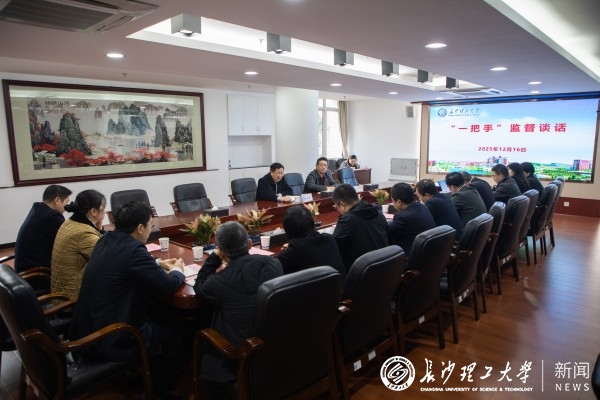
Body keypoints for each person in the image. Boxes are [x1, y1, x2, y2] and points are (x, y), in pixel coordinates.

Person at [70, 201, 186, 398]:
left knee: (157, 312)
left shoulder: (106, 239)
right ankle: (155, 391)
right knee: (178, 333)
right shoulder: (133, 250)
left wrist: (157, 262)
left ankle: (140, 374)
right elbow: (167, 286)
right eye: (150, 226)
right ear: (140, 228)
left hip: (88, 327)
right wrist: (177, 271)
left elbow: (122, 262)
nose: (150, 230)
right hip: (111, 337)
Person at [194, 221, 283, 399]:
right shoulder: (274, 264)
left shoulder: (220, 281)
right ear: (249, 244)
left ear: (221, 251)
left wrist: (214, 258)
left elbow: (199, 285)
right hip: (275, 345)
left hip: (242, 355)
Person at [51, 189, 106, 300]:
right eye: (104, 208)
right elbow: (108, 258)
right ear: (93, 211)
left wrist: (99, 228)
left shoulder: (70, 223)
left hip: (61, 291)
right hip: (72, 299)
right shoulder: (84, 234)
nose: (105, 212)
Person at [275, 205, 345, 279]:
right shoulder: (329, 238)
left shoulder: (296, 249)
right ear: (312, 223)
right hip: (339, 285)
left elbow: (271, 265)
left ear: (288, 230)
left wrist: (288, 250)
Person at [14, 184, 72, 273]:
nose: (67, 207)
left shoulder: (38, 209)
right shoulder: (53, 217)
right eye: (66, 202)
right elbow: (69, 242)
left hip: (23, 268)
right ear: (57, 200)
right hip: (36, 272)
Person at [332, 184, 388, 270]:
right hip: (386, 267)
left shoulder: (348, 220)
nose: (338, 210)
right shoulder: (378, 213)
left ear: (342, 204)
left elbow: (333, 246)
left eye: (336, 207)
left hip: (364, 272)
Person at [388, 182, 436, 257]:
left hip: (413, 258)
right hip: (430, 254)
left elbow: (387, 232)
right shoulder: (422, 206)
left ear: (399, 202)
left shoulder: (403, 217)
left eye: (392, 200)